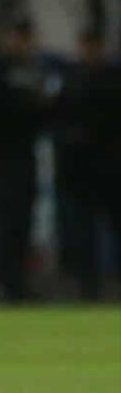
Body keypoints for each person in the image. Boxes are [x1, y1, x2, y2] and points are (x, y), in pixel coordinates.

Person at [0, 19, 49, 303]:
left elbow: (43, 115)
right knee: (2, 219)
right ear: (7, 38)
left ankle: (18, 283)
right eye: (17, 36)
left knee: (23, 220)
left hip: (25, 154)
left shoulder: (34, 72)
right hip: (1, 154)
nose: (22, 42)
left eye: (26, 37)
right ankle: (0, 282)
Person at [52, 29, 120, 301]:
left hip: (111, 165)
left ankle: (109, 280)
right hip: (79, 167)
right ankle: (87, 285)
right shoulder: (70, 79)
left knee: (113, 224)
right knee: (83, 228)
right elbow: (57, 118)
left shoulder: (113, 79)